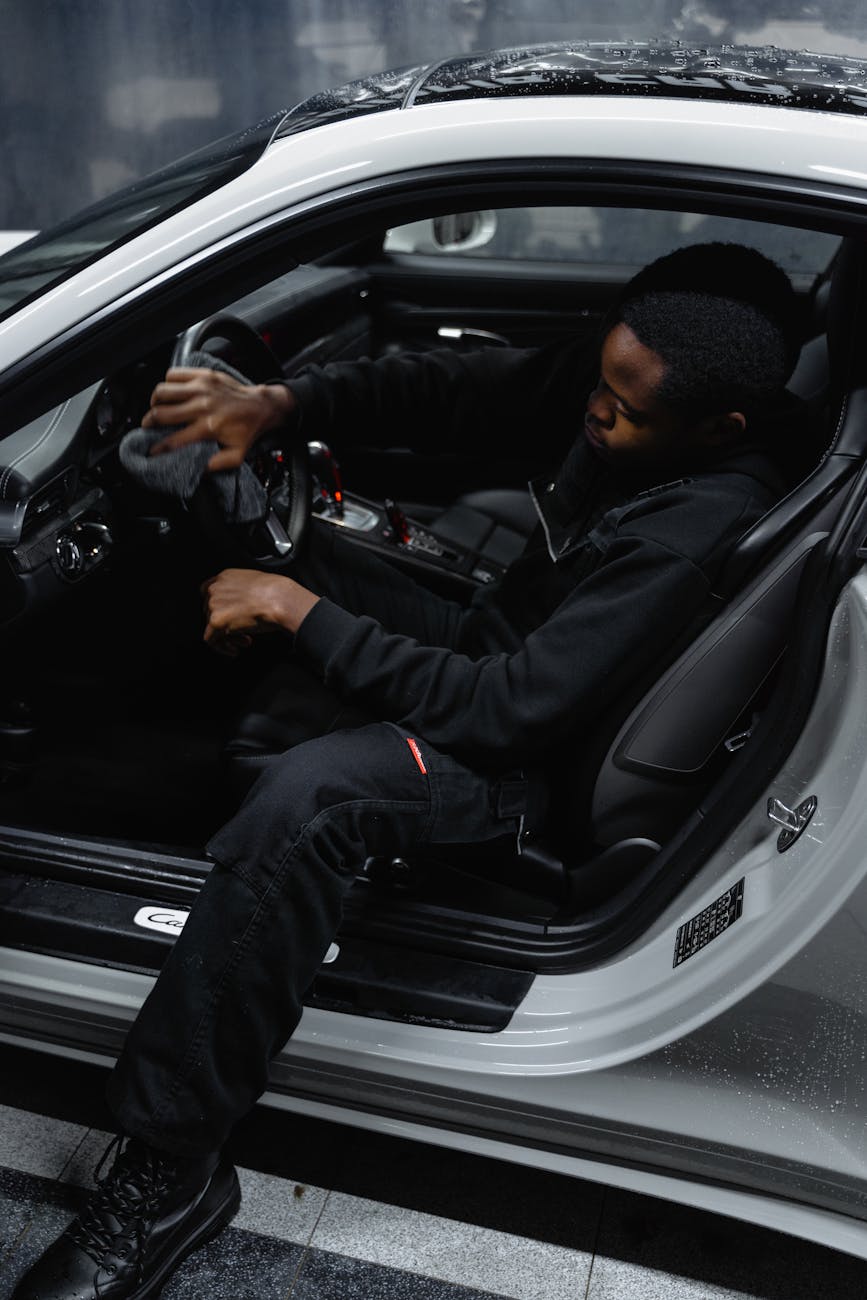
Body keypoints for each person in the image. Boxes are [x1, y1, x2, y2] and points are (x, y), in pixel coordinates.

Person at [13, 243, 803, 1299]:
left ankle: (169, 1171)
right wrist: (279, 404)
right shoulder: (633, 381)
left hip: (524, 766)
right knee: (265, 564)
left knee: (308, 802)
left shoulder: (690, 529)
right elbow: (465, 389)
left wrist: (299, 613)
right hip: (499, 644)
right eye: (598, 386)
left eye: (622, 412)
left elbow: (511, 711)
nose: (595, 417)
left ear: (720, 430)